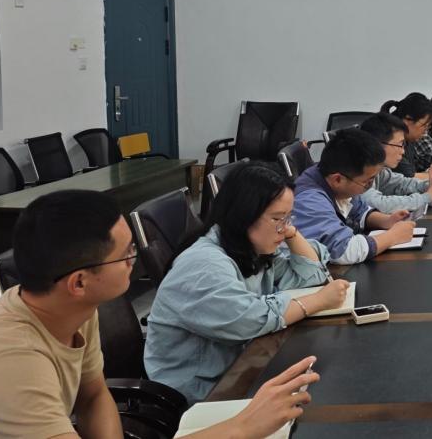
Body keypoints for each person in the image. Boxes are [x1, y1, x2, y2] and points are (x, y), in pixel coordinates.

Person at [0, 189, 320, 439]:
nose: (136, 260)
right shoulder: (13, 362)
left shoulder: (71, 307)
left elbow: (93, 395)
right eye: (127, 253)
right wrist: (241, 427)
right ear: (79, 282)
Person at [144, 163, 349, 403]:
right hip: (199, 393)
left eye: (288, 217)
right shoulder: (204, 264)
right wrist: (317, 301)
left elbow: (310, 276)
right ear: (244, 215)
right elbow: (247, 320)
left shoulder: (247, 247)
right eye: (277, 218)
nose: (284, 228)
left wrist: (290, 231)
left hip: (238, 368)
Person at [293, 128, 419, 264]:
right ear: (337, 180)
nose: (369, 187)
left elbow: (358, 210)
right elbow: (342, 251)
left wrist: (387, 220)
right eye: (367, 182)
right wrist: (392, 237)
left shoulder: (332, 175)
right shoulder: (309, 200)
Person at [358, 113, 432, 215]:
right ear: (377, 144)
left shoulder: (379, 170)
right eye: (399, 144)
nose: (403, 151)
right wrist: (426, 197)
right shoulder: (357, 169)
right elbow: (379, 204)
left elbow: (401, 184)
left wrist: (429, 184)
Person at [380, 91, 432, 179]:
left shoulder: (410, 141)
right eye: (424, 125)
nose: (426, 132)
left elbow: (413, 171)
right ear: (407, 119)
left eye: (428, 127)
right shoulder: (391, 141)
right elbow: (409, 177)